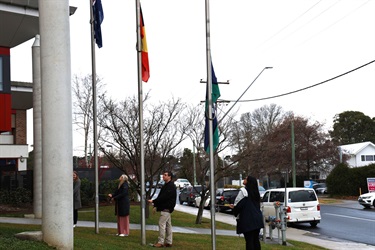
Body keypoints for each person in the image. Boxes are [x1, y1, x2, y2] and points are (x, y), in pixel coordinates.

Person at [230, 175, 264, 250]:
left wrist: (234, 209)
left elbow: (238, 205)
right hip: (257, 219)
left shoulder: (243, 191)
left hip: (248, 219)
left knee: (249, 241)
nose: (244, 179)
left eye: (246, 178)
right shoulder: (256, 193)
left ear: (248, 181)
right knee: (256, 240)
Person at [148, 171, 177, 248]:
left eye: (165, 175)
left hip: (166, 208)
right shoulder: (166, 185)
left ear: (169, 177)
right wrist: (156, 205)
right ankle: (168, 242)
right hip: (166, 208)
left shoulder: (171, 186)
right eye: (163, 175)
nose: (163, 176)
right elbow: (162, 197)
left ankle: (160, 242)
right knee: (168, 225)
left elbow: (164, 197)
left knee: (161, 224)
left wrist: (154, 201)